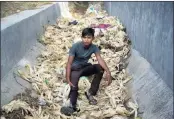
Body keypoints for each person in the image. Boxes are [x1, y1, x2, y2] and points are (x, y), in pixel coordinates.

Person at [60, 28, 112, 116]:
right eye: (84, 37)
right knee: (73, 86)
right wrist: (68, 78)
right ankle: (72, 105)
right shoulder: (75, 46)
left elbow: (99, 59)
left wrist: (108, 72)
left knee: (99, 68)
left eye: (89, 37)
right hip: (75, 69)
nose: (86, 40)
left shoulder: (94, 47)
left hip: (85, 67)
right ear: (81, 38)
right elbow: (69, 63)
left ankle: (91, 92)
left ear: (93, 39)